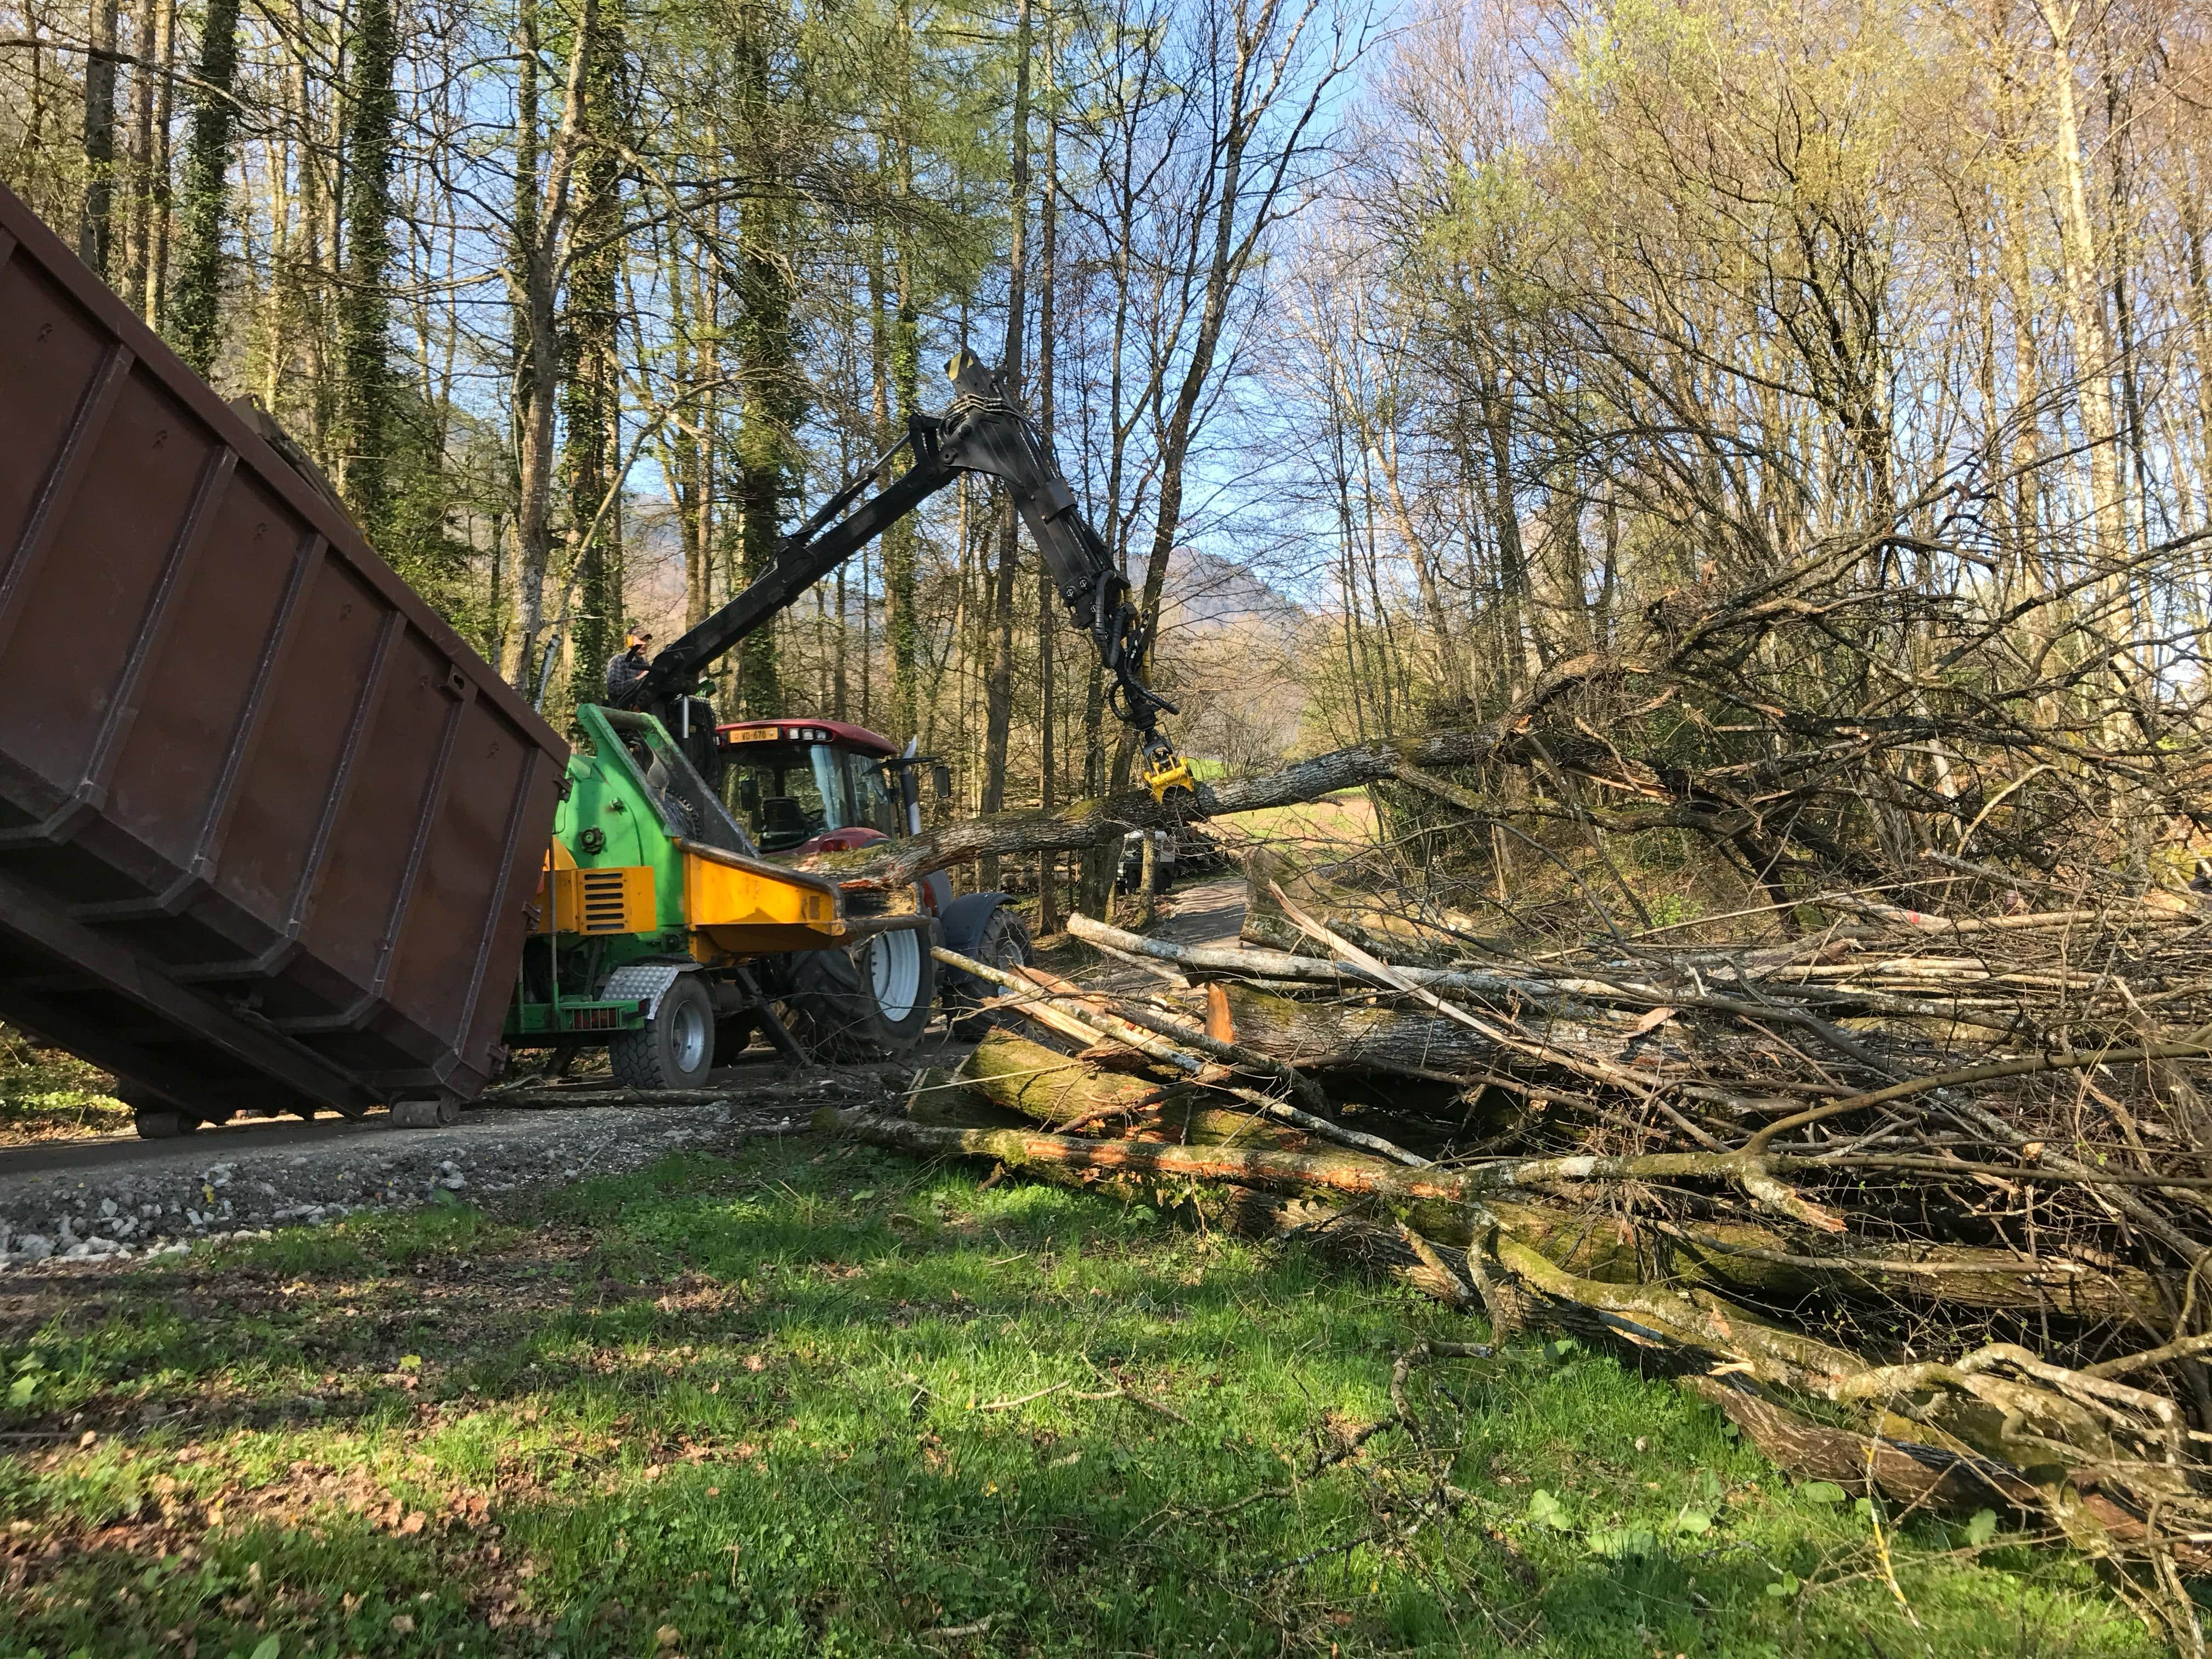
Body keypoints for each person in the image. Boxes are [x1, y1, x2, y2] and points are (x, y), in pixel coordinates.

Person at [605, 629, 652, 707]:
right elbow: (614, 688)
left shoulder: (646, 665)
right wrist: (639, 679)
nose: (644, 643)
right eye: (641, 640)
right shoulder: (619, 660)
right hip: (622, 712)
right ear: (629, 641)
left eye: (646, 641)